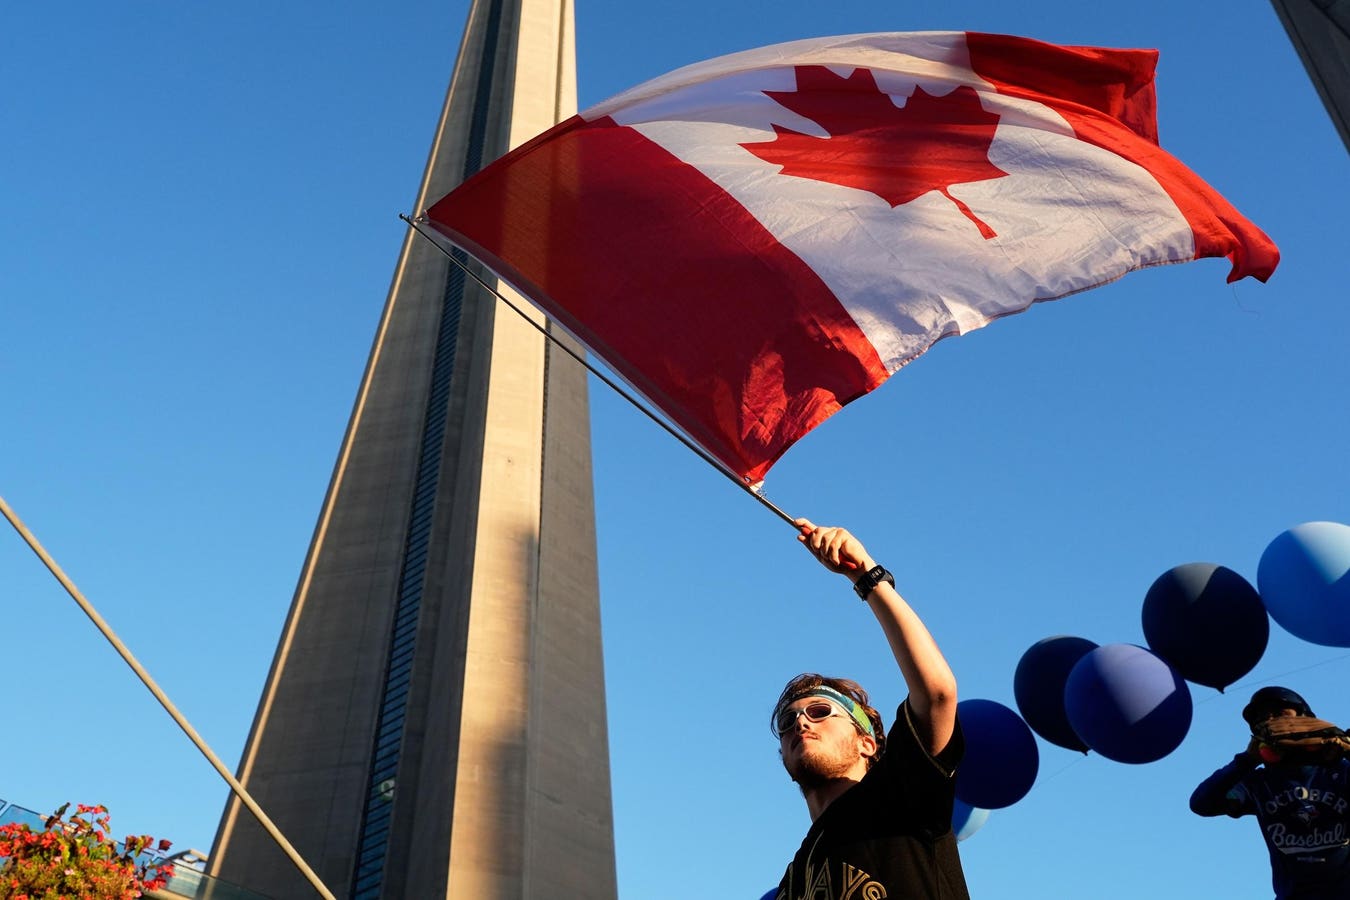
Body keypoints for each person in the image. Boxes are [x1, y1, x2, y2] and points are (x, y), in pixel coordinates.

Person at [770, 519, 969, 900]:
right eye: (788, 720)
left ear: (866, 743)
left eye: (820, 711)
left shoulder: (901, 795)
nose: (800, 723)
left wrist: (866, 575)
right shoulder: (791, 883)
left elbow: (937, 693)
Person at [1190, 686, 1350, 899]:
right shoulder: (1257, 784)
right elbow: (1201, 804)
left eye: (1280, 713)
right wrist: (1247, 760)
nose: (1272, 720)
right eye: (1264, 718)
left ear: (1306, 718)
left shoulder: (1342, 771)